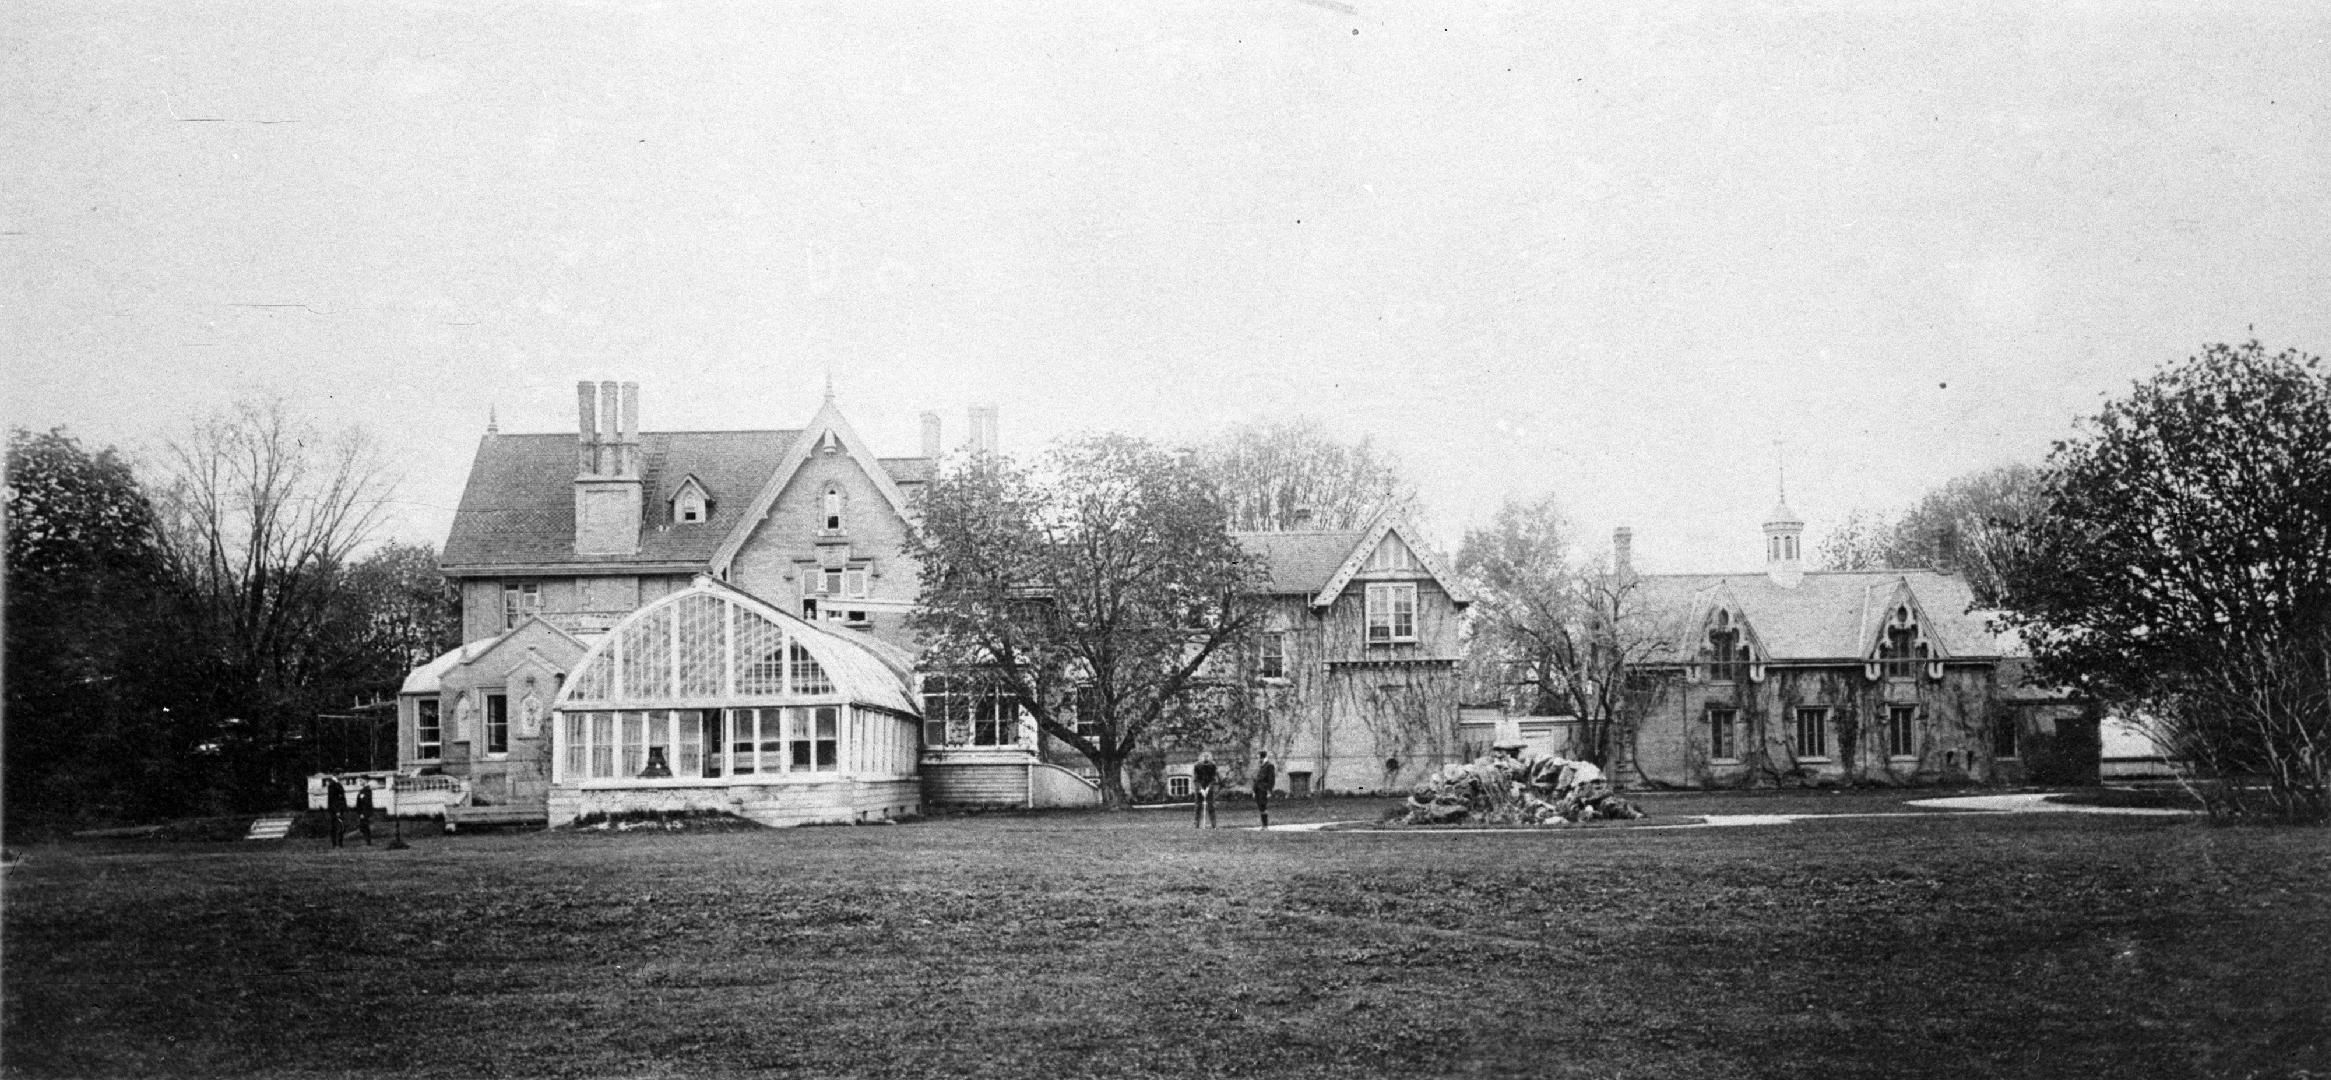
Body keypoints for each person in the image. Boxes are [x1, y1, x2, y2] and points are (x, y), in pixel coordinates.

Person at [1192, 750, 1219, 828]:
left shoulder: (1213, 766)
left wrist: (1208, 788)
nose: (1206, 760)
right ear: (1201, 758)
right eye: (1204, 758)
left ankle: (1214, 825)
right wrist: (1200, 789)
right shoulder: (1197, 766)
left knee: (1211, 806)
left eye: (1207, 758)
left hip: (1208, 787)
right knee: (1198, 807)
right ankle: (1196, 825)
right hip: (1199, 787)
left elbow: (1213, 779)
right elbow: (1196, 780)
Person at [1252, 750, 1278, 830]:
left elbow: (1271, 779)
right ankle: (1263, 825)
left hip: (1263, 789)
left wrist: (1269, 790)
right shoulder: (1262, 766)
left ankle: (1265, 826)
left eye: (1258, 757)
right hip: (1258, 789)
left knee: (1263, 806)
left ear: (1262, 757)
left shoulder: (1269, 765)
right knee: (1260, 807)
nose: (1257, 759)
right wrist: (1254, 790)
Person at [323, 777, 347, 848]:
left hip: (338, 809)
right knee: (336, 827)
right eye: (342, 775)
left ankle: (339, 843)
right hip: (335, 810)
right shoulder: (333, 785)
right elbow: (333, 799)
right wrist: (337, 811)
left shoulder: (337, 784)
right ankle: (336, 844)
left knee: (339, 826)